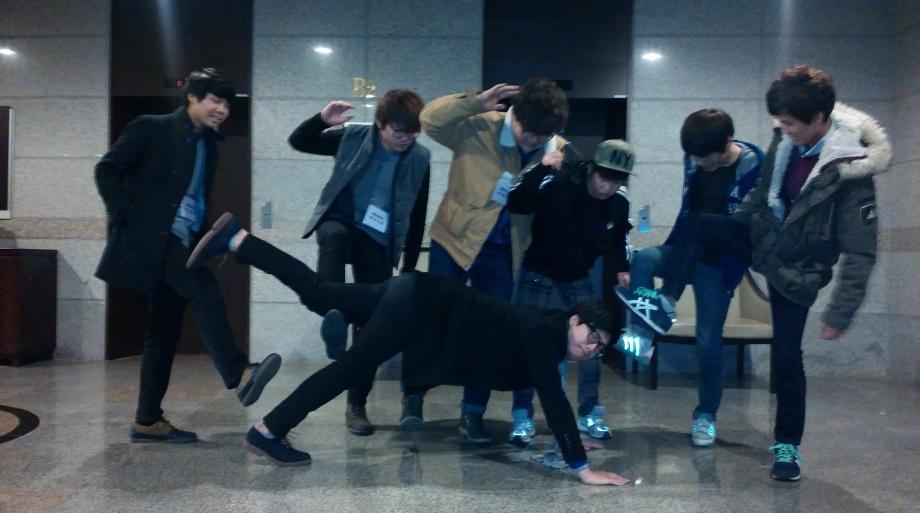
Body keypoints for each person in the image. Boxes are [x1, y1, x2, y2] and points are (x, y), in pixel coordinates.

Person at [185, 212, 630, 487]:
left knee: (321, 293)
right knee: (350, 369)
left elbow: (549, 395)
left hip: (415, 292)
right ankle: (268, 431)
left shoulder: (547, 329)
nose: (591, 349)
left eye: (600, 348)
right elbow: (552, 396)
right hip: (417, 310)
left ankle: (239, 241)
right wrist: (580, 466)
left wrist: (566, 439)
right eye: (591, 336)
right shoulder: (544, 336)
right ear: (575, 320)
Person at [616, 65, 890, 481]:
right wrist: (730, 229)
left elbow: (861, 250)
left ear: (820, 118)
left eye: (790, 123)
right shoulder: (784, 141)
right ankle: (661, 307)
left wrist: (840, 312)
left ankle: (786, 447)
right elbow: (760, 197)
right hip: (759, 242)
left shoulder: (852, 170)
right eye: (780, 122)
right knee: (694, 228)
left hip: (798, 268)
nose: (783, 130)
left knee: (786, 357)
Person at [94, 68, 281, 443]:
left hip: (183, 241)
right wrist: (125, 215)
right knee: (202, 287)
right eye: (215, 100)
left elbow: (193, 202)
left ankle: (147, 420)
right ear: (192, 97)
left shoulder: (208, 146)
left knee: (163, 332)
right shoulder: (152, 127)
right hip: (154, 240)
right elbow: (107, 169)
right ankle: (238, 373)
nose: (222, 109)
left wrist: (209, 242)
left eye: (227, 104)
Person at [417, 77, 569, 443]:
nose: (532, 140)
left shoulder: (556, 148)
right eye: (528, 132)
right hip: (453, 240)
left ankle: (472, 413)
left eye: (542, 135)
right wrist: (474, 102)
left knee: (488, 332)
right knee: (431, 323)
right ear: (516, 115)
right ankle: (413, 397)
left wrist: (553, 170)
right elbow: (429, 120)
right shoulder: (478, 126)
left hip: (503, 254)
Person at [287, 89, 430, 436]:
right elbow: (299, 141)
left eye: (412, 132)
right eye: (399, 131)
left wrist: (409, 266)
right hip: (340, 221)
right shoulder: (353, 137)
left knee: (370, 325)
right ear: (380, 123)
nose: (405, 139)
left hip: (377, 240)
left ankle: (356, 404)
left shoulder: (419, 158)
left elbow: (417, 213)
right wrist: (322, 120)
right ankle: (333, 311)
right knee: (333, 237)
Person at [620, 109, 764, 447]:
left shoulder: (755, 164)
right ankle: (642, 334)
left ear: (727, 142)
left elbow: (745, 224)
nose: (699, 164)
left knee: (708, 342)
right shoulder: (695, 158)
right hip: (685, 251)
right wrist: (675, 249)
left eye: (705, 159)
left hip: (719, 262)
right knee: (644, 259)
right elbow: (688, 211)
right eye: (694, 158)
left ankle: (705, 416)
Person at [505, 139, 634, 445]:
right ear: (591, 169)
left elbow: (618, 237)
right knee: (526, 341)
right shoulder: (560, 184)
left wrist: (622, 267)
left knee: (594, 341)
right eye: (603, 177)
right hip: (538, 271)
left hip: (577, 275)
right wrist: (541, 168)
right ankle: (522, 415)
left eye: (616, 181)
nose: (607, 187)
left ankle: (589, 413)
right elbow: (516, 202)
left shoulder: (619, 203)